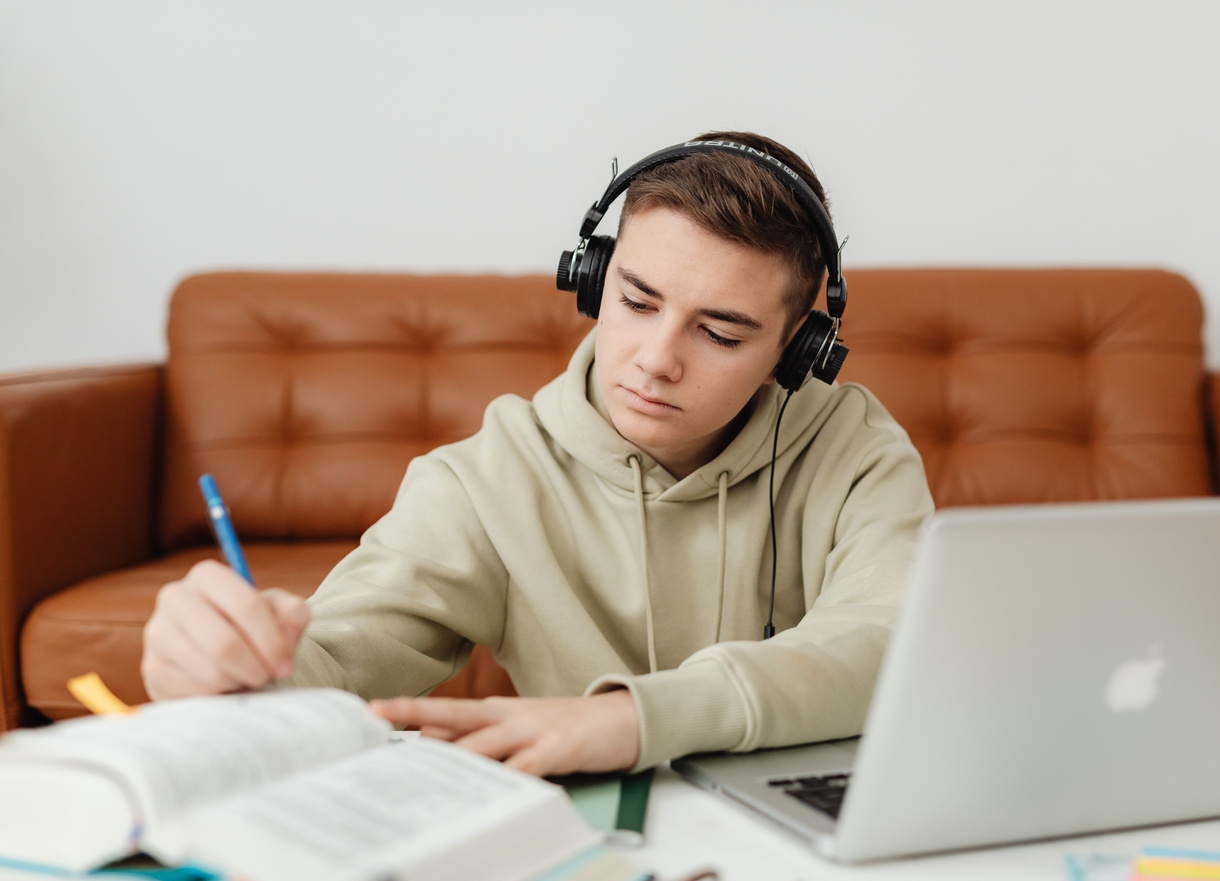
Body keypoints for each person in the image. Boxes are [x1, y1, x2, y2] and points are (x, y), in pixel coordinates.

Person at [141, 131, 935, 777]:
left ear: (798, 348)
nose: (655, 359)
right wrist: (227, 667)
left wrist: (631, 719)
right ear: (591, 280)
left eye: (720, 332)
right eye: (634, 300)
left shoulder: (857, 450)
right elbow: (334, 658)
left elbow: (891, 638)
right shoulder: (487, 477)